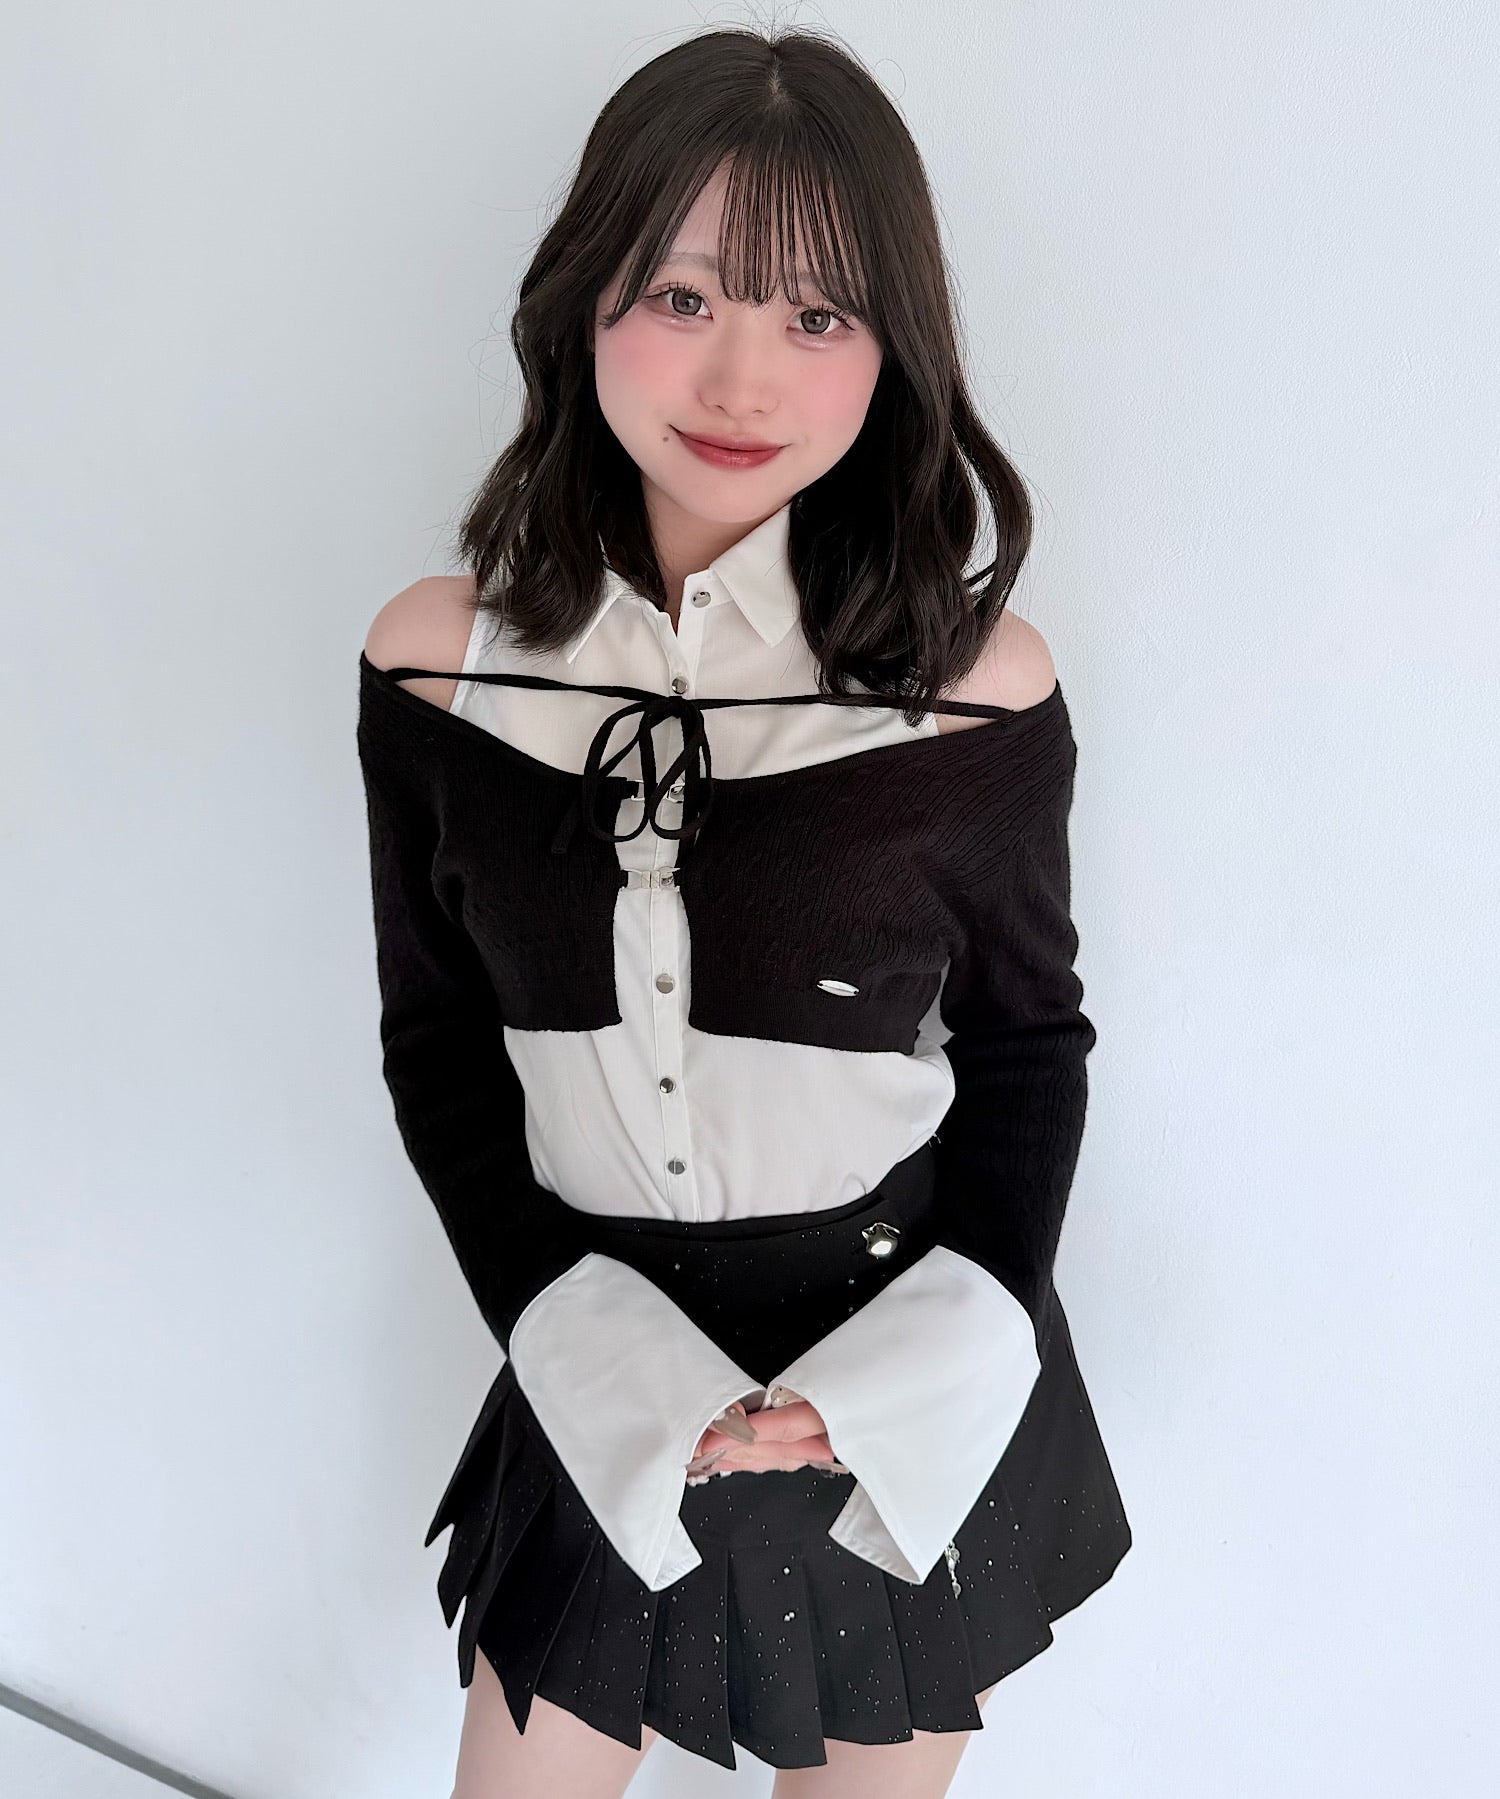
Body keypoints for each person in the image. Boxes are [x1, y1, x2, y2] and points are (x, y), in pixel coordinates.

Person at [357, 24, 1130, 1797]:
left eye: (817, 315)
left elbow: (1030, 1046)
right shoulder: (437, 664)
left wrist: (931, 1355)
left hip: (900, 1363)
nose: (742, 376)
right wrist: (581, 1337)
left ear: (892, 350)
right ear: (586, 300)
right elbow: (437, 1046)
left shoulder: (975, 690)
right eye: (685, 294)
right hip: (596, 1345)